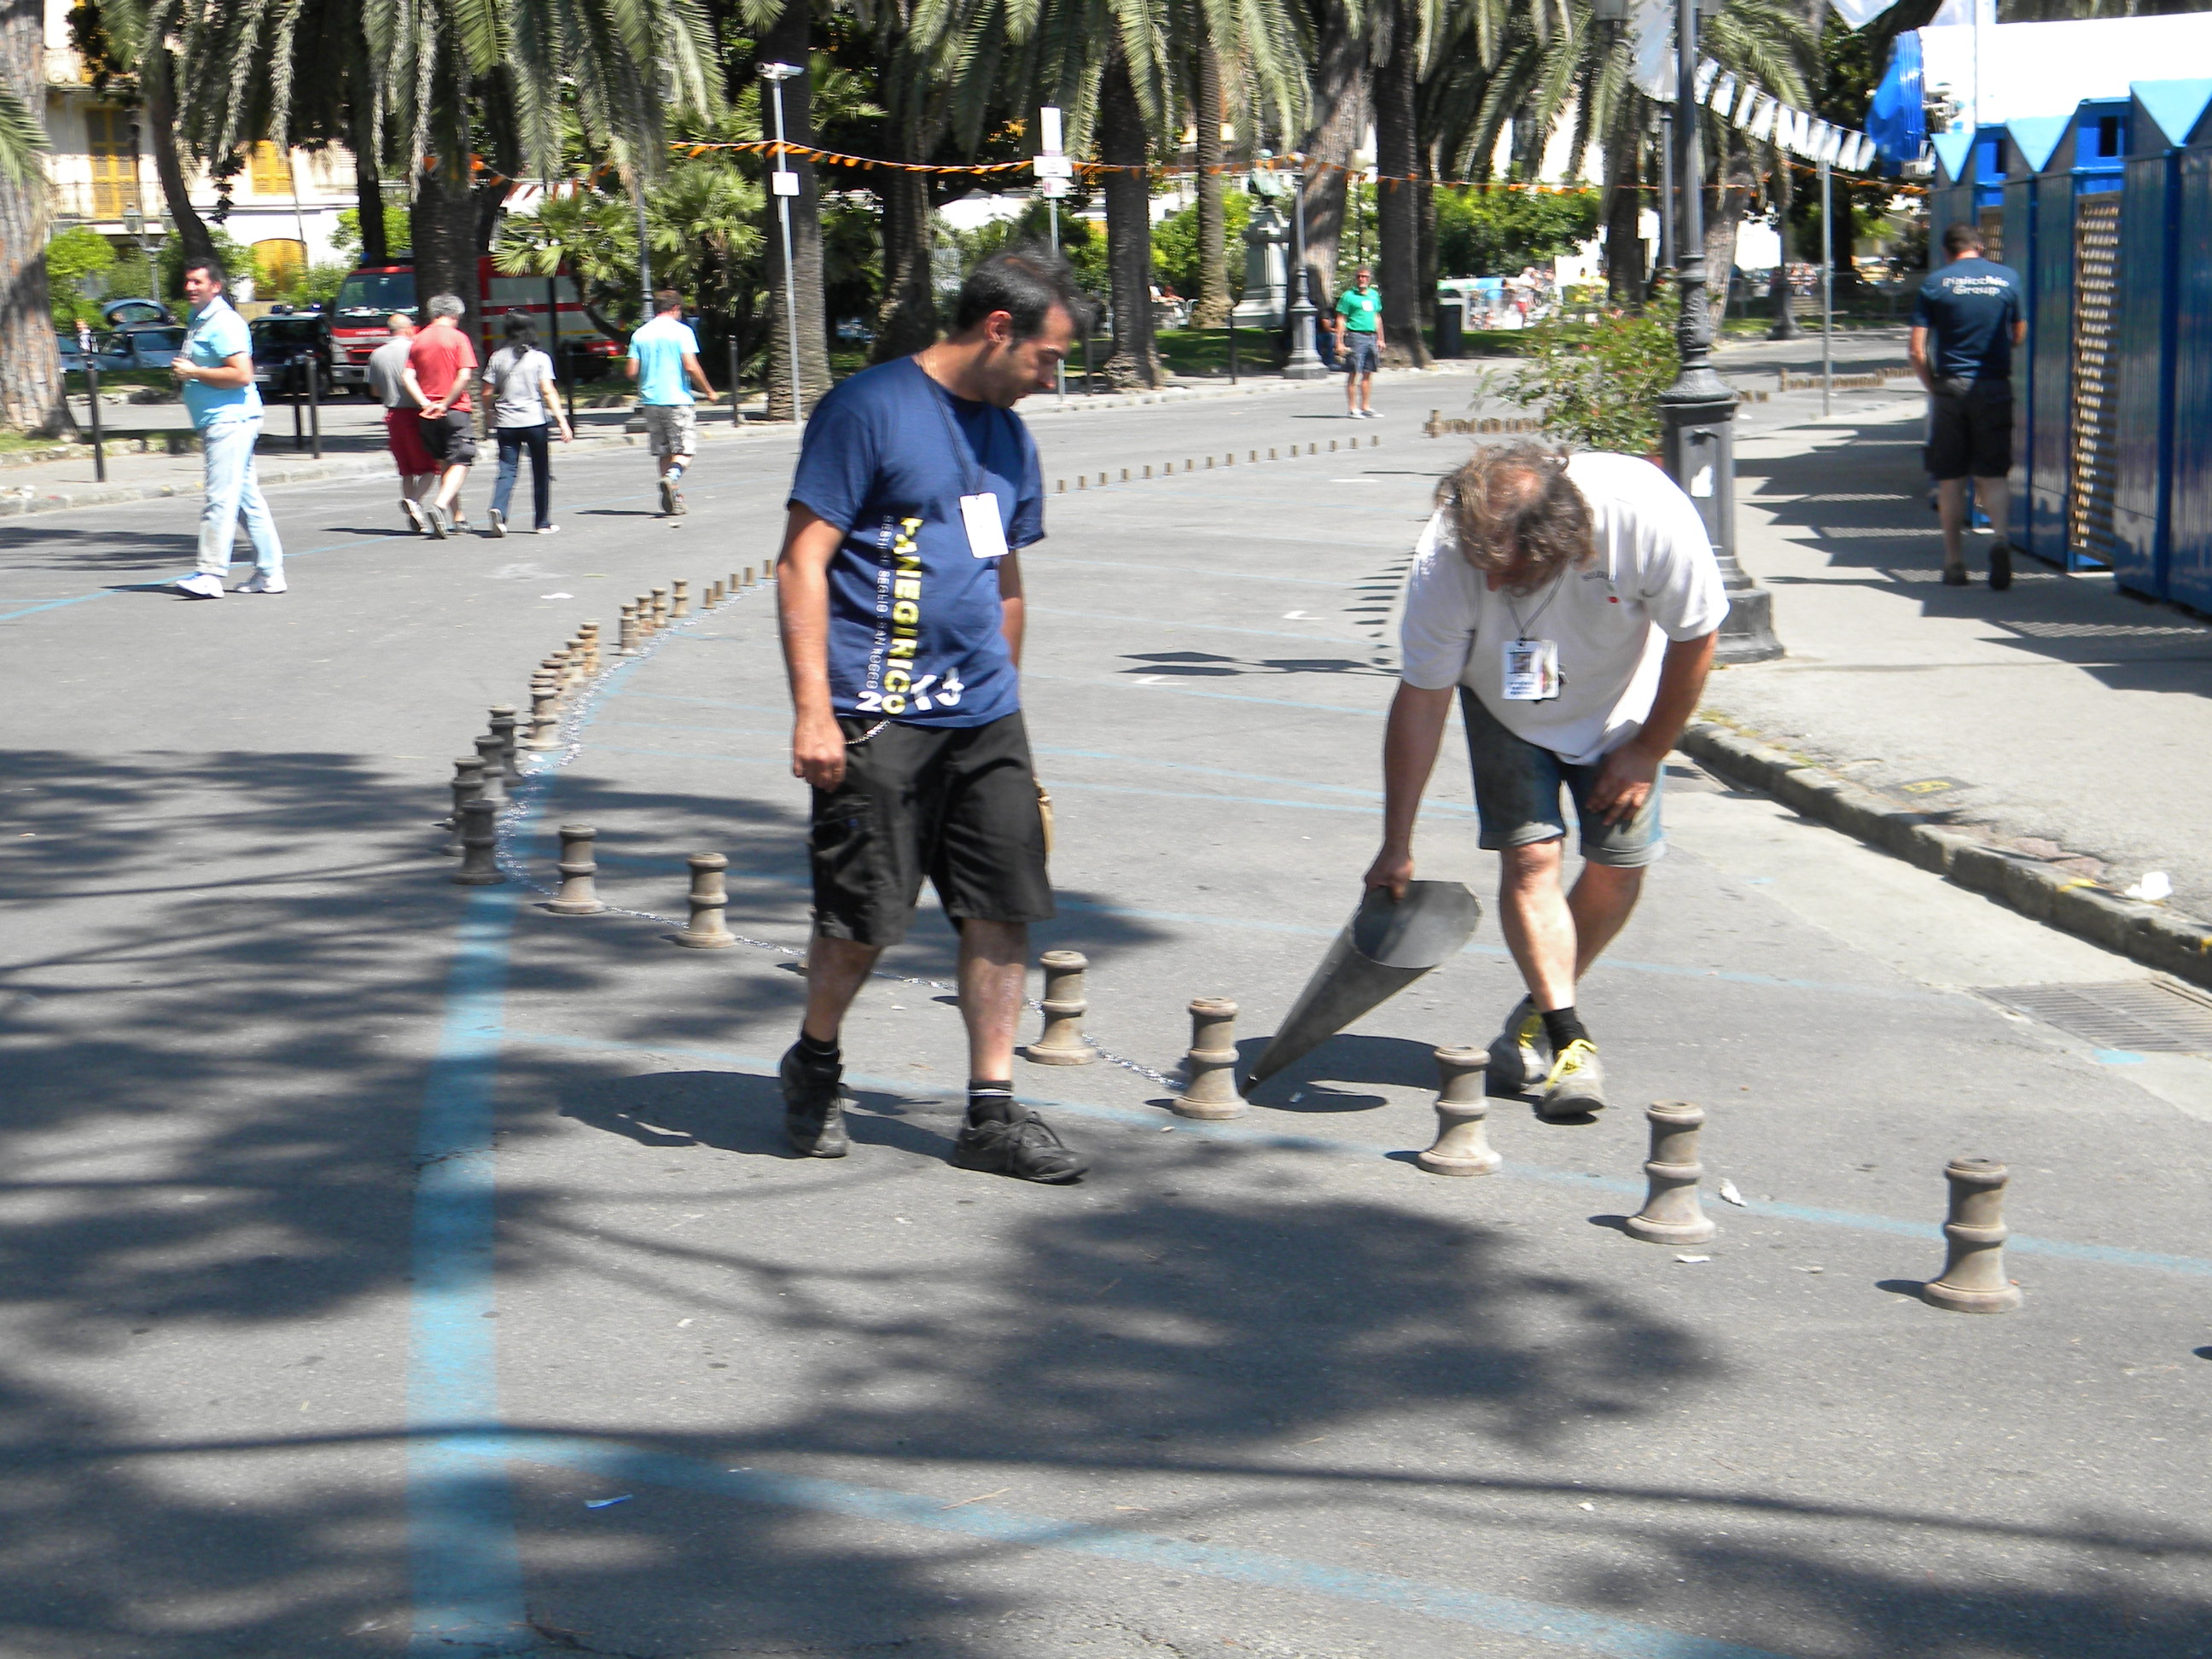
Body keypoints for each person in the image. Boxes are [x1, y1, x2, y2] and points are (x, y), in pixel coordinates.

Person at [774, 247, 1093, 1183]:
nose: (1053, 375)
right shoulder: (869, 410)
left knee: (1002, 911)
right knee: (863, 917)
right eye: (1047, 356)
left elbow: (1004, 577)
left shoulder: (1007, 437)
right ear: (1000, 330)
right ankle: (816, 1059)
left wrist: (1008, 706)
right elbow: (802, 563)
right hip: (876, 715)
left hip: (984, 720)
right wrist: (814, 714)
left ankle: (989, 1110)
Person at [1366, 442, 1726, 1120]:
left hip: (1623, 703)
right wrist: (1397, 842)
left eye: (1512, 569)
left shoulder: (1644, 514)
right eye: (1484, 569)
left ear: (1564, 541)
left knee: (1619, 867)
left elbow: (1698, 637)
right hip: (1503, 704)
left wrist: (1649, 749)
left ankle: (1536, 1007)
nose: (1494, 587)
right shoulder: (1450, 549)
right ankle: (1570, 1039)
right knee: (1531, 858)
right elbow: (1421, 698)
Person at [1910, 222, 2027, 590]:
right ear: (1981, 246)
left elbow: (1916, 349)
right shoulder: (2008, 279)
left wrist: (1933, 387)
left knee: (1950, 479)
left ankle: (1954, 562)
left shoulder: (1935, 284)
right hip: (1992, 386)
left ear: (1947, 251)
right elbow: (2019, 332)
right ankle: (2000, 539)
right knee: (1992, 474)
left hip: (1951, 389)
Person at [166, 257, 285, 597]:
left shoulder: (224, 322)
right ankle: (270, 574)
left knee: (219, 496)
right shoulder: (200, 319)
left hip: (230, 419)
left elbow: (241, 375)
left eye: (198, 282)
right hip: (221, 418)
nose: (190, 287)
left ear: (215, 286)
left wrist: (194, 372)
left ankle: (210, 574)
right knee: (247, 500)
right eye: (188, 281)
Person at [626, 290, 719, 516]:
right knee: (685, 450)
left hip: (650, 400)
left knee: (664, 451)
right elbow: (690, 365)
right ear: (676, 308)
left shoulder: (640, 334)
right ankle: (672, 478)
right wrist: (708, 390)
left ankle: (674, 498)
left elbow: (630, 371)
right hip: (677, 399)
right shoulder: (682, 332)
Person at [482, 314, 573, 537]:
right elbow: (548, 391)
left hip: (506, 423)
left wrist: (488, 414)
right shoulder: (540, 358)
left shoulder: (497, 357)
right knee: (540, 471)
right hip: (534, 422)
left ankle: (499, 511)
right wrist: (562, 422)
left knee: (506, 470)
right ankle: (542, 522)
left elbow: (486, 392)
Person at [402, 294, 480, 538]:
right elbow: (464, 375)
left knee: (444, 462)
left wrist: (425, 402)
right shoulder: (458, 338)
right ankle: (440, 505)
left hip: (427, 413)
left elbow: (406, 376)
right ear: (455, 314)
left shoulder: (418, 339)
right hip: (455, 409)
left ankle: (459, 518)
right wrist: (446, 402)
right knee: (462, 459)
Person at [367, 312, 438, 533]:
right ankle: (414, 502)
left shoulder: (376, 355)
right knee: (429, 467)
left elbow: (375, 390)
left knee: (406, 469)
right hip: (417, 413)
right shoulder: (415, 348)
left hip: (393, 415)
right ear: (409, 329)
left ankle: (415, 512)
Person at [1335, 265, 1382, 419]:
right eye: (1359, 276)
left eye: (1365, 276)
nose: (1362, 279)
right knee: (1354, 372)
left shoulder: (1374, 295)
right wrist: (1339, 342)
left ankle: (1366, 406)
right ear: (1356, 278)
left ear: (1369, 279)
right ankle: (1352, 408)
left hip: (1371, 337)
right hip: (1355, 336)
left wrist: (1381, 338)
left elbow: (1377, 317)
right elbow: (1341, 319)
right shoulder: (1348, 296)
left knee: (1368, 373)